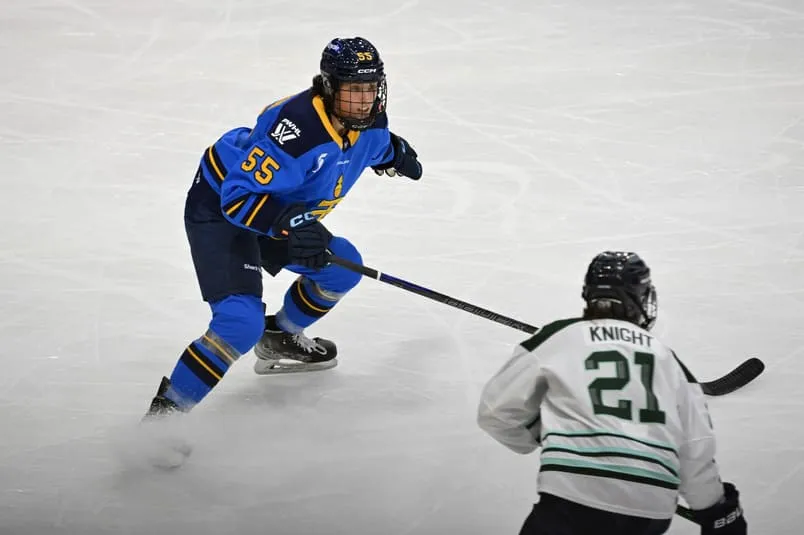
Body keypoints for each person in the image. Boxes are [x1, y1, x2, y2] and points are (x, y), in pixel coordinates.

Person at [144, 36, 422, 420]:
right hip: (223, 209)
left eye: (371, 88)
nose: (364, 101)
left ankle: (280, 337)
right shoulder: (297, 130)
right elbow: (237, 197)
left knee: (343, 266)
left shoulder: (370, 124)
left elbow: (375, 146)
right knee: (240, 323)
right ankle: (164, 418)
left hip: (279, 214)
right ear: (327, 86)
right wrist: (285, 223)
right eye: (352, 90)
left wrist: (396, 154)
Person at [477, 251, 746, 535]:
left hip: (572, 497)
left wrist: (547, 435)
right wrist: (715, 511)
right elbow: (695, 449)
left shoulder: (561, 336)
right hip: (649, 509)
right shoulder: (669, 360)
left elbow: (496, 413)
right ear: (640, 297)